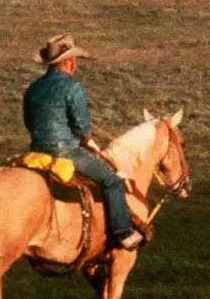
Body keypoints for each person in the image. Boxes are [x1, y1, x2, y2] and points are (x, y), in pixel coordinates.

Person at [22, 34, 145, 250]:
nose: (76, 64)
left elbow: (29, 122)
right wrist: (87, 138)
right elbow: (81, 126)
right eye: (74, 60)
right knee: (111, 181)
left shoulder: (33, 88)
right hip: (66, 151)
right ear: (68, 62)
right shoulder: (72, 87)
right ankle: (123, 232)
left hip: (37, 150)